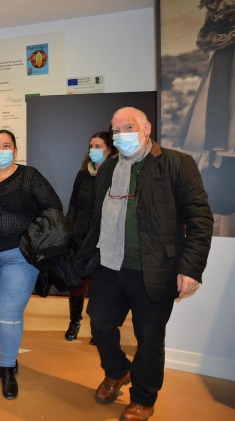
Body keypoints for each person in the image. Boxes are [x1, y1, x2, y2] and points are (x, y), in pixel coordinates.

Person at [74, 107, 213, 421]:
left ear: (146, 128)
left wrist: (191, 268)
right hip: (107, 267)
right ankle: (117, 371)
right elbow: (96, 218)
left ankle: (143, 398)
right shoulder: (108, 168)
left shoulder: (177, 164)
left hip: (153, 269)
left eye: (128, 126)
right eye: (116, 129)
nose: (121, 134)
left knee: (149, 337)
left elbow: (200, 219)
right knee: (101, 325)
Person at [0, 129, 62, 399]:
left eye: (6, 145)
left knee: (8, 311)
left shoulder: (30, 177)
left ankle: (7, 367)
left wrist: (34, 237)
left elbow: (53, 208)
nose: (0, 149)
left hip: (19, 256)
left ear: (15, 151)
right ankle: (9, 357)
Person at [64, 130, 115, 341]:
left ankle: (98, 329)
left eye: (98, 146)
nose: (93, 150)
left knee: (100, 287)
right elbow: (74, 204)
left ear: (109, 150)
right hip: (79, 237)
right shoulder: (83, 174)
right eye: (91, 146)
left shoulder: (116, 174)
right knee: (76, 284)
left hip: (103, 239)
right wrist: (69, 228)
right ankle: (74, 322)